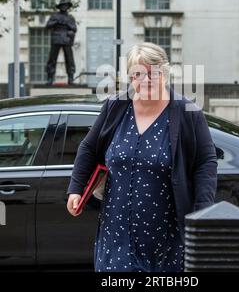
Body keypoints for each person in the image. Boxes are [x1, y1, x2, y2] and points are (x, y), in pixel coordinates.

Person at [66, 42, 218, 272]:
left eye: (153, 73)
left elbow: (206, 162)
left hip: (167, 236)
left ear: (164, 74)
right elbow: (88, 148)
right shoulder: (116, 106)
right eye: (138, 74)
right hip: (116, 231)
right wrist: (75, 189)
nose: (145, 80)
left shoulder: (187, 112)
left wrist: (202, 211)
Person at [45, 0, 77, 86]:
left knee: (69, 59)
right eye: (63, 5)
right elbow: (48, 26)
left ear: (68, 7)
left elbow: (74, 28)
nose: (64, 7)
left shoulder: (70, 17)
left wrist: (67, 24)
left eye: (66, 5)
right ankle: (50, 77)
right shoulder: (54, 16)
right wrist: (56, 22)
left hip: (66, 39)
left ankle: (71, 77)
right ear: (60, 6)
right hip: (56, 38)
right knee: (52, 59)